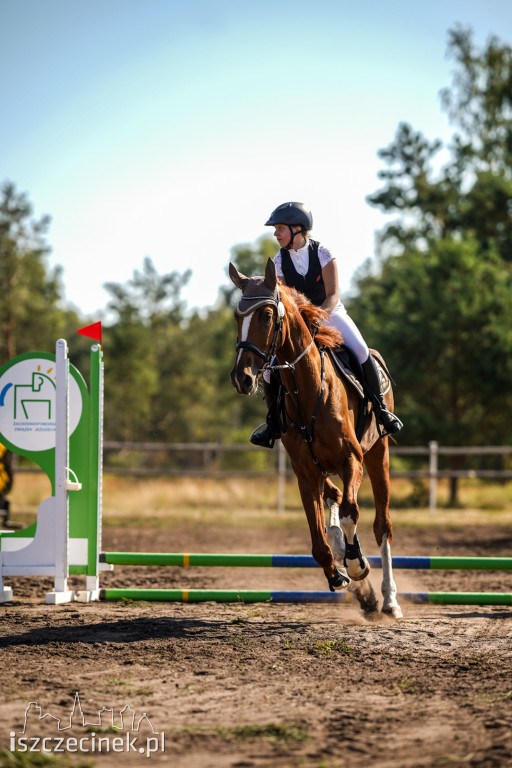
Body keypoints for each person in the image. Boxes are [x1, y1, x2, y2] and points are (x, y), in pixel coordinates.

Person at [250, 201, 403, 448]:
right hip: (298, 321)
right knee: (269, 370)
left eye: (280, 228)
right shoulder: (278, 261)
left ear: (297, 229)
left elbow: (333, 294)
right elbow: (285, 301)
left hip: (330, 312)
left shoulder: (323, 253)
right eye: (275, 229)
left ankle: (381, 410)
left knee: (362, 351)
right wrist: (300, 322)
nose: (275, 233)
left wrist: (318, 316)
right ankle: (273, 424)